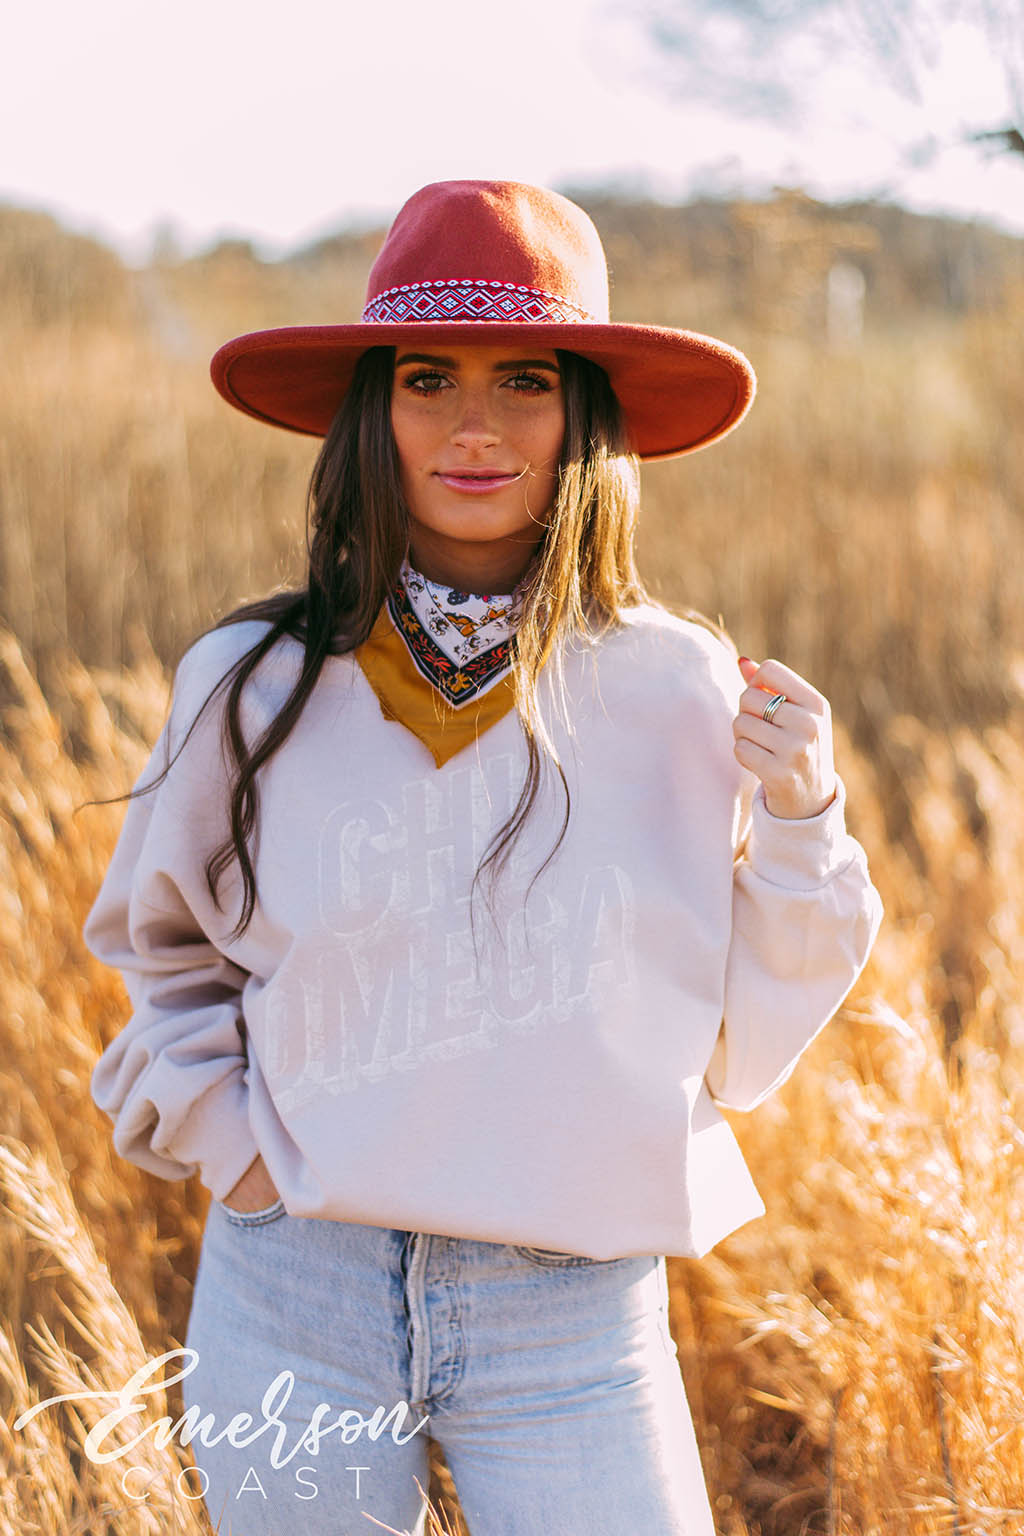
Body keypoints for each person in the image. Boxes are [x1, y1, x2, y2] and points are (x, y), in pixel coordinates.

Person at [82, 179, 884, 1536]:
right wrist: (240, 1151)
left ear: (586, 415)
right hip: (298, 1288)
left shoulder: (678, 687)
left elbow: (742, 1045)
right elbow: (161, 951)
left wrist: (804, 816)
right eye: (426, 379)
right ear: (371, 411)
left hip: (570, 1317)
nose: (474, 426)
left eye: (525, 380)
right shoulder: (249, 679)